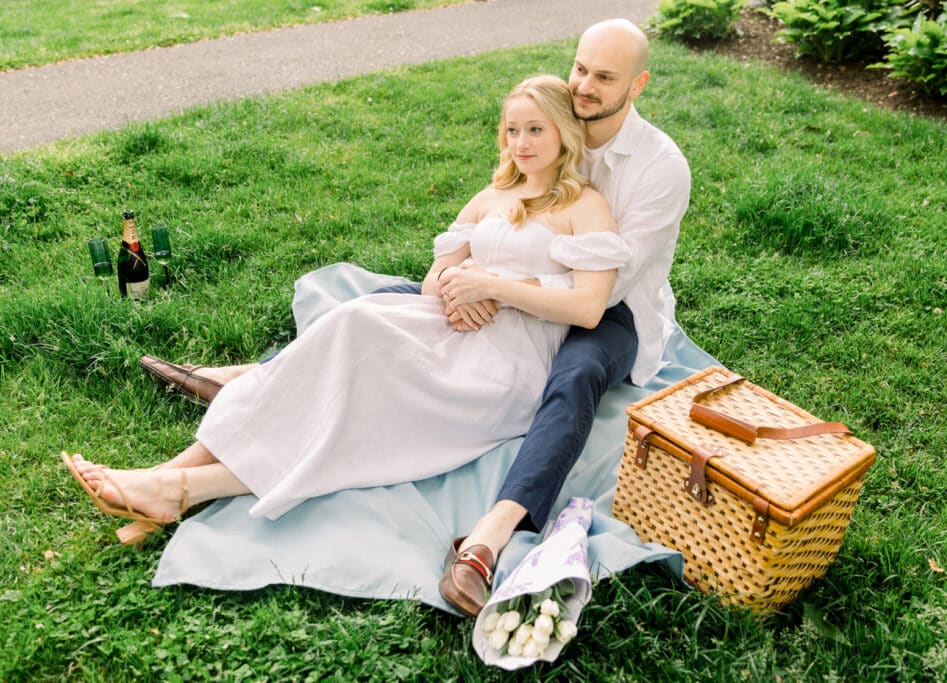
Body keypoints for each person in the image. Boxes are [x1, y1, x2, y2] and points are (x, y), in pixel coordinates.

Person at [138, 18, 691, 616]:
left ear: (637, 86)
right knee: (384, 306)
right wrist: (462, 287)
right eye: (579, 68)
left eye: (603, 77)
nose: (584, 85)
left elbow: (602, 293)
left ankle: (489, 537)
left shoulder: (659, 168)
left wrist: (495, 288)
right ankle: (251, 377)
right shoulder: (547, 130)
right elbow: (488, 231)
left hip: (611, 312)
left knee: (574, 377)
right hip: (516, 287)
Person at [61, 76, 629, 593]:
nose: (522, 141)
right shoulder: (489, 199)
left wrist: (496, 288)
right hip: (447, 327)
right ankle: (170, 478)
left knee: (354, 397)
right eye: (512, 130)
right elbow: (434, 280)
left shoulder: (584, 206)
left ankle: (176, 488)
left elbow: (587, 307)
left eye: (536, 129)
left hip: (506, 362)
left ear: (563, 133)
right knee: (350, 323)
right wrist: (458, 289)